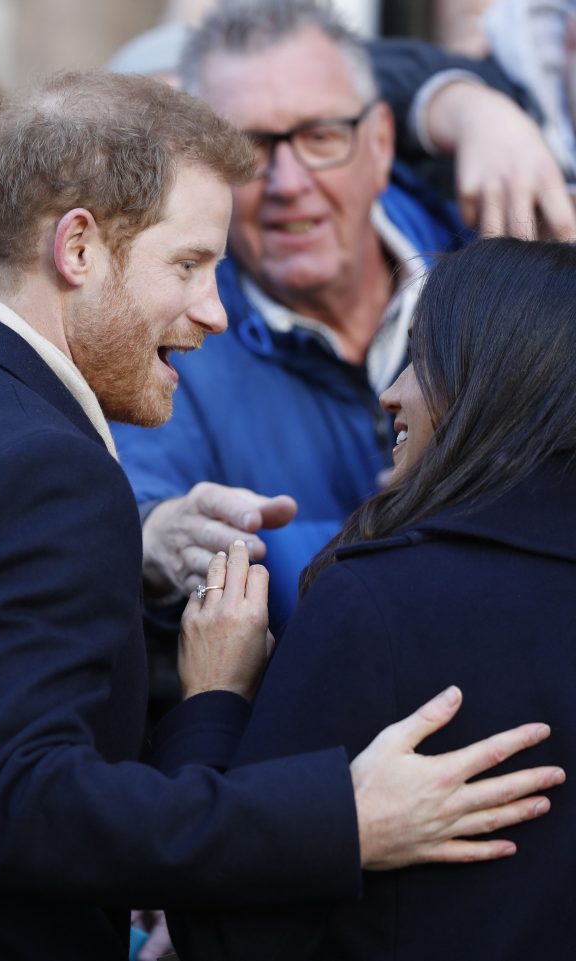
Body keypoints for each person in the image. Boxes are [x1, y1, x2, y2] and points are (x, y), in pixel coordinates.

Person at [0, 69, 560, 961]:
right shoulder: (46, 469)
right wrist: (344, 818)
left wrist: (150, 578)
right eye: (188, 264)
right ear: (77, 249)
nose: (216, 312)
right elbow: (12, 806)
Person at [168, 237, 576, 961]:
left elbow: (226, 935)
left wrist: (215, 700)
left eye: (423, 356)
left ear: (493, 379)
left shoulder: (376, 602)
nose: (391, 391)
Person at [111, 0, 474, 652]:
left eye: (320, 135)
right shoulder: (168, 336)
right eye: (247, 149)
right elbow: (136, 515)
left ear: (381, 140)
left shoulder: (488, 263)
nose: (287, 181)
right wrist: (159, 534)